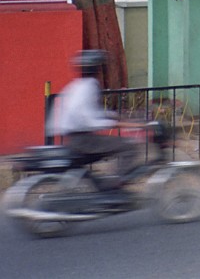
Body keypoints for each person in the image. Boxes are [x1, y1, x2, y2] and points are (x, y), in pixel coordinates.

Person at [47, 50, 138, 186]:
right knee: (128, 146)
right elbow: (91, 120)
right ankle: (116, 184)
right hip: (85, 140)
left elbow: (90, 112)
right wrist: (115, 123)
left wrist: (112, 115)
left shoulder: (75, 86)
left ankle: (104, 184)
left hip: (71, 139)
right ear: (97, 68)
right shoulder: (90, 86)